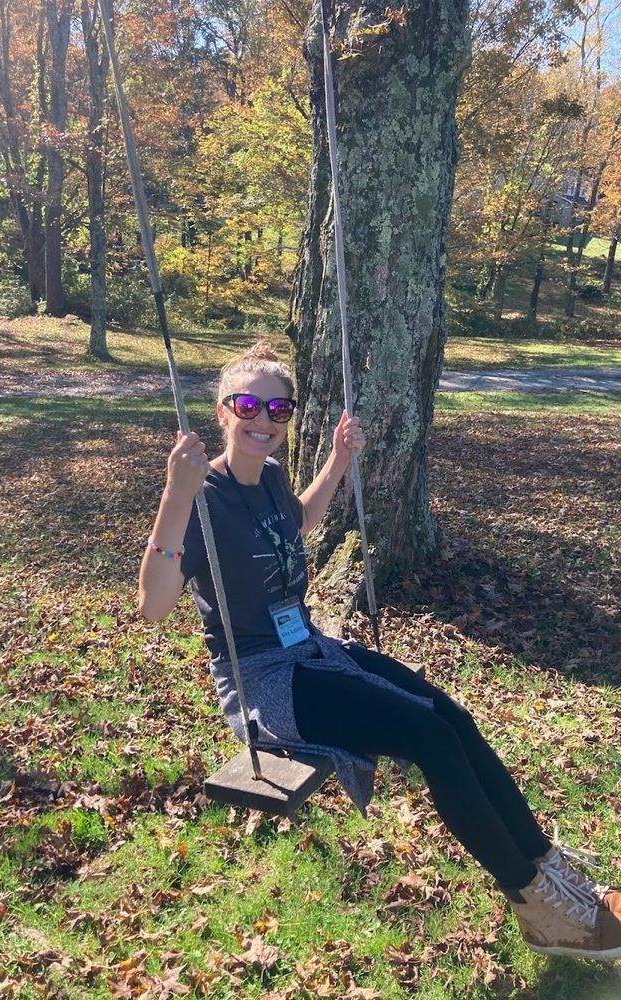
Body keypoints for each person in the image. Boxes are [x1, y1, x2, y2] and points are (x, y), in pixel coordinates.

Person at [138, 341, 621, 962]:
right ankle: (538, 906)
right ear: (223, 411)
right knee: (429, 738)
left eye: (278, 408)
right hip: (264, 682)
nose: (264, 419)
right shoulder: (202, 496)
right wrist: (175, 495)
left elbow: (299, 522)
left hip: (311, 651)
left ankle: (551, 869)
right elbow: (154, 606)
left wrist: (338, 460)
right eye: (249, 404)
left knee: (451, 718)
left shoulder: (273, 480)